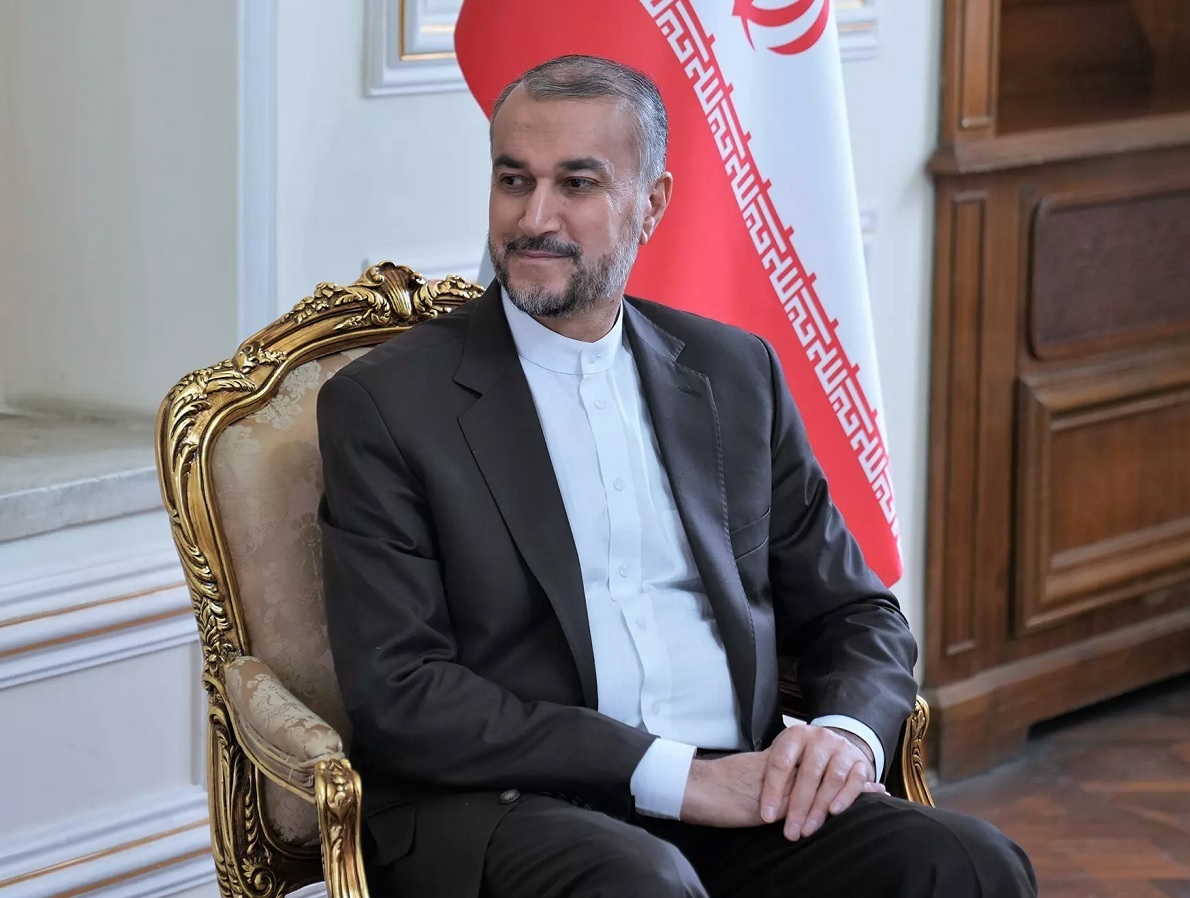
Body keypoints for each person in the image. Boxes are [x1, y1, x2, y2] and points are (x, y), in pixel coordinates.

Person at [317, 54, 1036, 898]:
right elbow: (401, 692)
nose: (534, 217)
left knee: (970, 863)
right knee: (645, 885)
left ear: (652, 203)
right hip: (512, 804)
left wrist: (842, 739)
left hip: (744, 792)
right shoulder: (388, 404)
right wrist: (676, 776)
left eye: (576, 184)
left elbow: (854, 609)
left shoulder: (735, 373)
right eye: (514, 180)